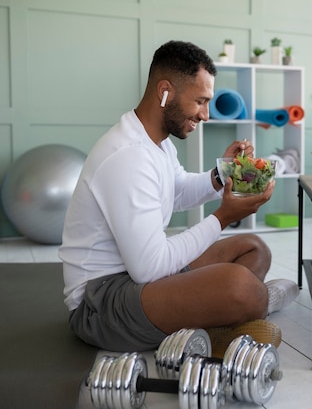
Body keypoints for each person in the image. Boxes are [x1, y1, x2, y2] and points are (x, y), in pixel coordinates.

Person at [59, 40, 298, 354]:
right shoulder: (127, 156)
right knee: (241, 287)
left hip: (139, 279)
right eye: (200, 101)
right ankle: (257, 304)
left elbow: (176, 191)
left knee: (254, 248)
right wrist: (223, 216)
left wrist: (223, 173)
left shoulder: (156, 142)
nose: (206, 115)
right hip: (102, 303)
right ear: (165, 92)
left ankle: (221, 322)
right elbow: (150, 268)